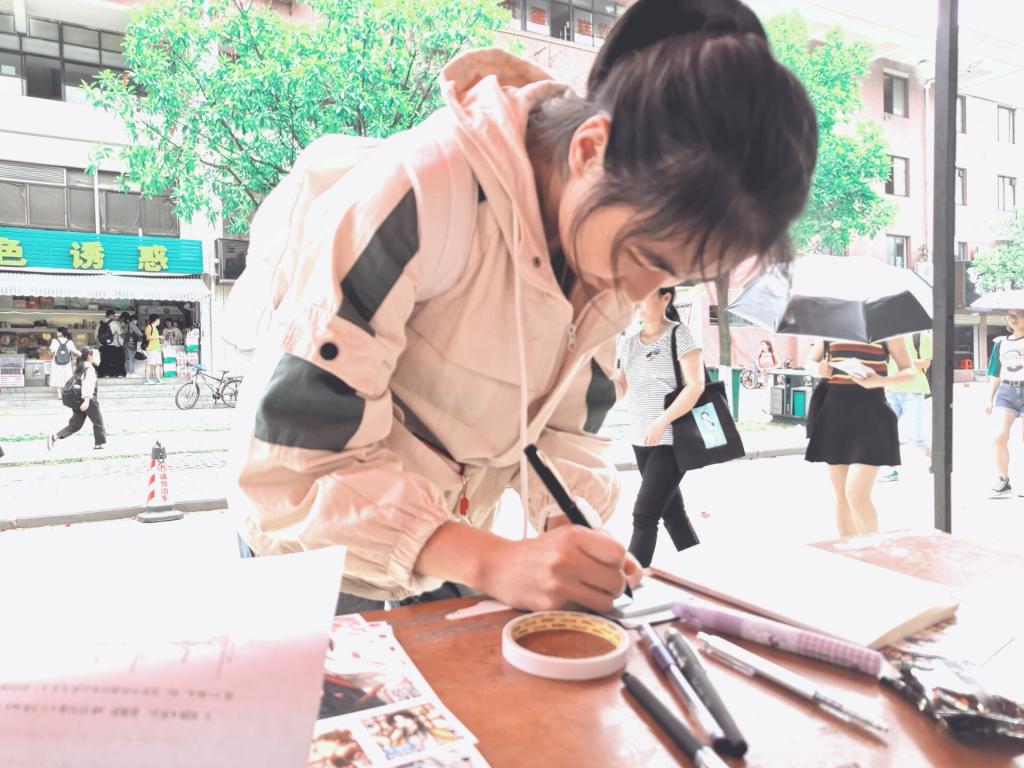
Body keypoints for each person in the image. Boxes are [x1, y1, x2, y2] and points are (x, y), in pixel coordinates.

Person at [230, 0, 818, 614]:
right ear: (591, 149)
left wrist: (569, 527)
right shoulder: (419, 195)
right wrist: (492, 562)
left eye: (677, 275)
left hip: (446, 549)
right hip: (314, 563)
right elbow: (293, 470)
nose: (643, 290)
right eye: (647, 255)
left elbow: (565, 429)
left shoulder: (603, 254)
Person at [614, 287, 703, 567]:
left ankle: (629, 578)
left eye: (646, 295)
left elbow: (696, 386)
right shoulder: (627, 342)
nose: (638, 302)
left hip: (672, 439)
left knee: (644, 515)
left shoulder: (680, 334)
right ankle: (698, 567)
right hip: (640, 438)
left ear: (666, 298)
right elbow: (621, 389)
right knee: (672, 512)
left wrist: (663, 419)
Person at [804, 338, 915, 536]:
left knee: (855, 493)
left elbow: (909, 371)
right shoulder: (831, 328)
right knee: (842, 497)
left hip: (871, 416)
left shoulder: (887, 331)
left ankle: (874, 549)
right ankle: (849, 550)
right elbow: (809, 362)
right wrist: (818, 368)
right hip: (835, 415)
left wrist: (880, 381)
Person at [878, 331, 932, 482]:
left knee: (915, 434)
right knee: (886, 430)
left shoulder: (920, 335)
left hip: (913, 390)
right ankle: (890, 468)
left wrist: (901, 358)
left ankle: (931, 453)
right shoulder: (888, 336)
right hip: (890, 388)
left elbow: (925, 363)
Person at [985, 309, 1024, 497]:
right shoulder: (1000, 343)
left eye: (1019, 315)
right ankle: (1003, 480)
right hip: (1006, 391)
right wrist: (989, 399)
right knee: (999, 437)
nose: (1013, 319)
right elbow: (995, 374)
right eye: (1010, 315)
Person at [46, 347, 106, 451]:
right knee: (98, 422)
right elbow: (88, 385)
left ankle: (54, 437)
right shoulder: (89, 369)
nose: (96, 356)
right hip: (88, 399)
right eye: (94, 354)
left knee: (75, 425)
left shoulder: (81, 366)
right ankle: (99, 444)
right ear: (89, 356)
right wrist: (87, 400)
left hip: (78, 399)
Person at [48, 327, 79, 400]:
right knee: (67, 377)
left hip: (57, 362)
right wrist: (83, 354)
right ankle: (65, 393)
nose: (57, 333)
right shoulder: (69, 341)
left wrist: (50, 353)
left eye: (58, 331)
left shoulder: (54, 341)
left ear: (61, 333)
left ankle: (59, 395)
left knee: (57, 376)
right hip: (67, 362)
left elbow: (51, 352)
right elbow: (75, 351)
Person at [96, 309, 126, 378]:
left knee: (104, 362)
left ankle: (102, 375)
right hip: (114, 347)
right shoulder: (115, 323)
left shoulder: (99, 324)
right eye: (114, 315)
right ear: (111, 315)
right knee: (115, 363)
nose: (115, 317)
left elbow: (96, 337)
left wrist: (100, 345)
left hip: (103, 347)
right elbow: (121, 334)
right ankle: (115, 376)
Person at [120, 311, 141, 377]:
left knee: (127, 359)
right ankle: (131, 372)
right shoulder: (132, 324)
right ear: (134, 320)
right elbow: (139, 333)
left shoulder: (126, 325)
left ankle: (127, 373)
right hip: (131, 344)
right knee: (131, 358)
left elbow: (122, 335)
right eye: (136, 320)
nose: (136, 322)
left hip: (125, 344)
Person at [144, 314, 163, 384]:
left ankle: (158, 379)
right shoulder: (149, 327)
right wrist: (159, 336)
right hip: (151, 348)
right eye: (159, 320)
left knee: (157, 364)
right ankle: (147, 379)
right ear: (156, 320)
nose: (159, 321)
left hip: (157, 349)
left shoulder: (155, 328)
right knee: (149, 364)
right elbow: (148, 337)